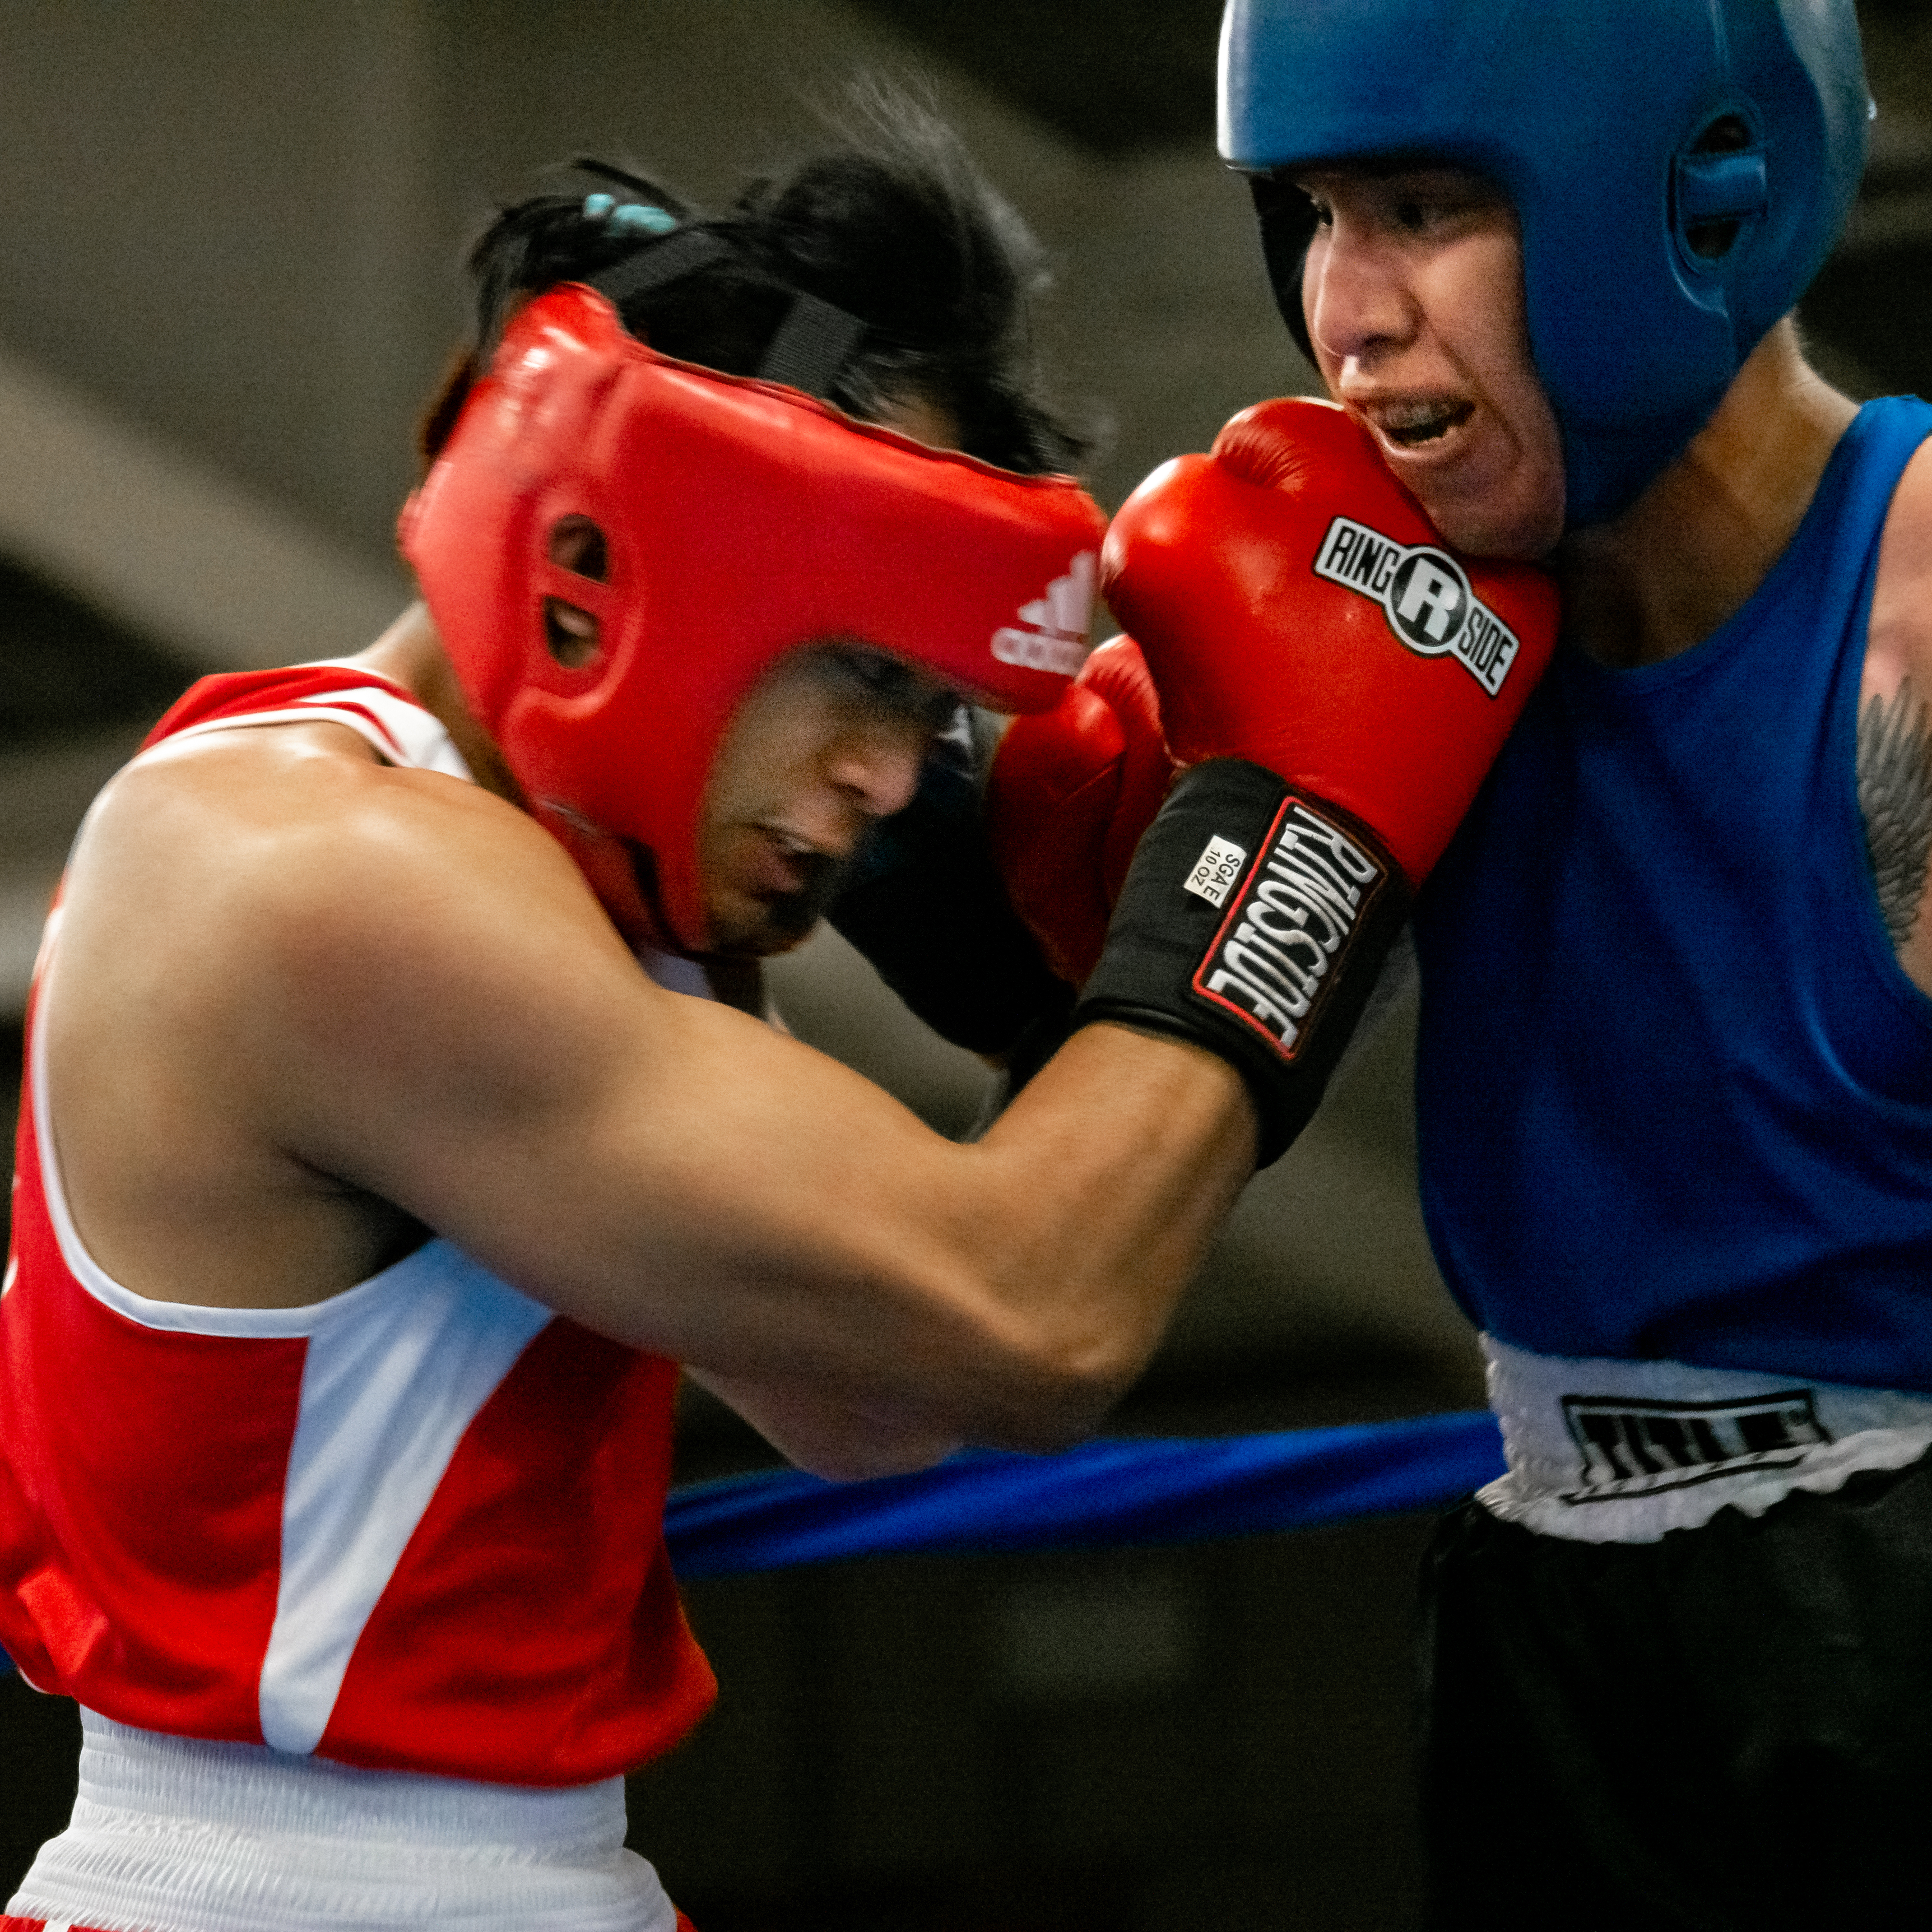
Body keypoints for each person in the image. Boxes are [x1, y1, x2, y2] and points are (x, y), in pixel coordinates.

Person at [0, 95, 1555, 1932]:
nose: (901, 779)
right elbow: (1023, 1319)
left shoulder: (578, 887)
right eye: (876, 679)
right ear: (656, 556)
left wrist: (1036, 970)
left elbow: (866, 1396)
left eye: (941, 714)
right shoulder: (317, 874)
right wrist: (1293, 838)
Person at [1098, 0, 1932, 1921]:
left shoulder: (1911, 627)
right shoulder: (1413, 639)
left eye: (1422, 206)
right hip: (1545, 1629)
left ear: (1702, 196)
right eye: (1315, 212)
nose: (1348, 310)